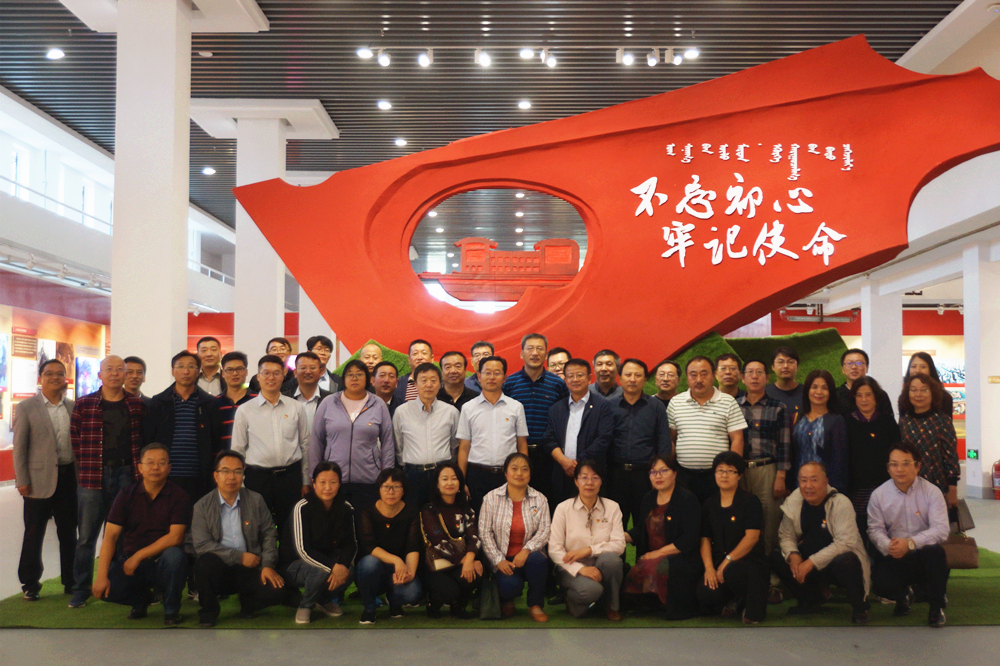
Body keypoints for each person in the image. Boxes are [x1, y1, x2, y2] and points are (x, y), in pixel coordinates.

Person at [69, 355, 147, 609]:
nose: (114, 374)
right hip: (93, 476)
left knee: (122, 535)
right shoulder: (84, 404)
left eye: (119, 370)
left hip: (127, 475)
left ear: (126, 374)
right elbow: (75, 440)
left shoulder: (137, 405)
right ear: (99, 375)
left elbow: (143, 439)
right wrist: (89, 466)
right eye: (109, 369)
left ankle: (117, 586)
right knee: (86, 537)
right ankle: (80, 589)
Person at [91, 443, 191, 624]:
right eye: (150, 462)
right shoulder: (126, 495)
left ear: (169, 468)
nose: (155, 467)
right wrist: (101, 576)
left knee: (175, 556)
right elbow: (110, 536)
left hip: (162, 562)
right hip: (130, 561)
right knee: (106, 589)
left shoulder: (179, 496)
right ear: (140, 468)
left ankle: (171, 610)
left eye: (161, 463)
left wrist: (139, 556)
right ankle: (141, 600)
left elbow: (175, 537)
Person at [191, 450, 285, 627]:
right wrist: (239, 557)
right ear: (216, 476)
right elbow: (202, 545)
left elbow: (269, 533)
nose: (231, 477)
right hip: (219, 567)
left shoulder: (256, 500)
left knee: (277, 590)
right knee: (204, 564)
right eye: (225, 471)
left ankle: (248, 603)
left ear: (243, 474)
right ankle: (209, 612)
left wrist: (267, 565)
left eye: (237, 471)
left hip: (250, 567)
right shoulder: (202, 506)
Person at [770, 462, 871, 624]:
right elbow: (786, 534)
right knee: (776, 557)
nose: (808, 486)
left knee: (847, 559)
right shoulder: (795, 500)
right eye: (803, 480)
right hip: (809, 562)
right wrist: (793, 555)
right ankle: (810, 599)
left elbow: (846, 542)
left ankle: (860, 607)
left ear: (825, 482)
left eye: (814, 480)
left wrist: (810, 562)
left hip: (835, 564)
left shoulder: (841, 502)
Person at [867, 442, 950, 628]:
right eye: (894, 464)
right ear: (888, 468)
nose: (900, 469)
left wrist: (911, 543)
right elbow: (874, 529)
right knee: (881, 582)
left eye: (906, 463)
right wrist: (888, 546)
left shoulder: (932, 492)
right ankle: (904, 595)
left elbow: (941, 529)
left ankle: (936, 609)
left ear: (917, 466)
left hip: (923, 553)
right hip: (894, 553)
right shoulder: (879, 495)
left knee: (936, 554)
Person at [14, 359, 77, 600]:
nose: (55, 377)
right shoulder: (27, 407)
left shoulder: (72, 406)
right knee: (34, 532)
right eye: (49, 373)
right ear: (41, 378)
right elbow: (20, 447)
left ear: (65, 378)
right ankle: (30, 583)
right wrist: (22, 479)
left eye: (60, 373)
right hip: (37, 479)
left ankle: (71, 581)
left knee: (69, 533)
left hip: (68, 478)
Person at [231, 355, 311, 534]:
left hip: (290, 477)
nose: (271, 378)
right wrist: (240, 484)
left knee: (290, 529)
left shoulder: (296, 407)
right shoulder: (245, 410)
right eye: (266, 373)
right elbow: (237, 450)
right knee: (257, 528)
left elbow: (306, 445)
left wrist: (305, 481)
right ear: (258, 376)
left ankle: (287, 554)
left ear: (283, 376)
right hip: (258, 479)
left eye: (276, 373)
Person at [622, 455, 702, 619]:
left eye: (663, 471)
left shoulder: (687, 499)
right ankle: (650, 604)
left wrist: (658, 554)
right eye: (653, 472)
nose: (658, 476)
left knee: (654, 565)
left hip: (680, 557)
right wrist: (620, 537)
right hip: (651, 556)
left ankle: (666, 604)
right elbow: (640, 529)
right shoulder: (648, 498)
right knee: (639, 568)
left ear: (675, 473)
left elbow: (689, 539)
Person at [311, 359, 395, 510]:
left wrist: (387, 477)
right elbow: (316, 441)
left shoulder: (378, 404)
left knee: (365, 521)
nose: (354, 378)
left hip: (369, 478)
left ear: (368, 379)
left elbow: (388, 442)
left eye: (359, 374)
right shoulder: (328, 403)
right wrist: (315, 475)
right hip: (333, 480)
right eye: (350, 375)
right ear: (343, 379)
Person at [697, 451, 768, 625]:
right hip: (720, 562)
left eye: (730, 471)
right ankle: (734, 601)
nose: (724, 475)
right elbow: (705, 539)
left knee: (733, 572)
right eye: (720, 470)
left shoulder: (750, 502)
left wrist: (726, 561)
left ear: (740, 475)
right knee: (705, 594)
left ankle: (748, 604)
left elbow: (752, 538)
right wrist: (709, 568)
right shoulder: (709, 504)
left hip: (748, 562)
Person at [548, 459, 626, 620]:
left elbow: (619, 545)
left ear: (601, 481)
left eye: (595, 477)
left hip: (601, 564)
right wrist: (580, 569)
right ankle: (570, 598)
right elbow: (554, 550)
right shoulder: (563, 508)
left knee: (612, 560)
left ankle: (611, 606)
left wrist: (589, 550)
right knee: (591, 590)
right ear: (576, 482)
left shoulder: (612, 507)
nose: (589, 482)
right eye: (584, 477)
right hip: (570, 567)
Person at [478, 452, 551, 622]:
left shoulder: (540, 499)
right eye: (514, 469)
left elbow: (545, 530)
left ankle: (535, 605)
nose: (519, 473)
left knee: (538, 561)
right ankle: (508, 600)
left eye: (524, 469)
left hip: (528, 557)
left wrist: (526, 550)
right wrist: (498, 560)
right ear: (505, 473)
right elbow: (484, 532)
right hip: (503, 559)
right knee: (509, 587)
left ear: (530, 474)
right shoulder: (491, 498)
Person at [281, 460, 357, 624]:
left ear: (339, 484)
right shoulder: (302, 507)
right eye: (322, 482)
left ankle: (323, 600)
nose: (327, 487)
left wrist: (343, 565)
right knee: (321, 570)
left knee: (349, 571)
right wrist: (333, 566)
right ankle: (306, 605)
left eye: (333, 482)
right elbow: (302, 550)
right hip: (294, 566)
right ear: (314, 484)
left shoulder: (346, 508)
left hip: (327, 562)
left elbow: (351, 544)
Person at [668, 356, 747, 504]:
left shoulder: (728, 402)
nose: (699, 380)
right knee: (686, 514)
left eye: (704, 374)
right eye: (693, 375)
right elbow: (671, 438)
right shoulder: (676, 402)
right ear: (686, 378)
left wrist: (732, 470)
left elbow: (737, 439)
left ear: (714, 375)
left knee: (715, 515)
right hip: (684, 475)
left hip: (717, 476)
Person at [145, 350, 221, 503]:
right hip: (166, 475)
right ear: (173, 371)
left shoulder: (210, 403)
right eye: (180, 367)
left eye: (191, 367)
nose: (186, 371)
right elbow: (149, 439)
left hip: (200, 476)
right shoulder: (158, 403)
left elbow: (216, 441)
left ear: (198, 371)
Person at [457, 356, 529, 512]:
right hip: (477, 475)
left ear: (504, 378)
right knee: (479, 518)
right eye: (487, 373)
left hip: (508, 474)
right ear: (479, 376)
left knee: (507, 517)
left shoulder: (516, 407)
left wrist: (523, 474)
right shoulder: (468, 408)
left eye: (497, 373)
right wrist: (462, 481)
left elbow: (522, 444)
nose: (491, 377)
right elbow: (464, 447)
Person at [736, 359, 790, 562]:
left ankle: (770, 569)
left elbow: (784, 443)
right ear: (743, 378)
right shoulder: (733, 406)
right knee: (741, 517)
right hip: (740, 470)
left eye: (759, 372)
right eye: (750, 372)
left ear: (767, 378)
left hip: (767, 469)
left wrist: (781, 476)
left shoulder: (778, 407)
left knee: (769, 519)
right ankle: (745, 567)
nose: (754, 376)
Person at [503, 333, 569, 499]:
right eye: (530, 348)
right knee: (518, 497)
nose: (535, 353)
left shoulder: (558, 384)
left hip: (548, 453)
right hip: (517, 451)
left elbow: (565, 417)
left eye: (540, 349)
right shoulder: (510, 383)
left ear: (546, 355)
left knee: (548, 498)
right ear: (521, 353)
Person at [608, 358, 672, 531]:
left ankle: (643, 550)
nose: (632, 379)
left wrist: (660, 475)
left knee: (646, 526)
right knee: (614, 526)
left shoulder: (656, 407)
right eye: (628, 375)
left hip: (645, 476)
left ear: (645, 379)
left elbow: (663, 442)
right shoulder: (609, 406)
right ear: (620, 377)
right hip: (616, 475)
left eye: (637, 375)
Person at [355, 468, 423, 624]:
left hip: (398, 570)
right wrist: (396, 560)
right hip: (374, 568)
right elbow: (368, 546)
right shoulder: (367, 511)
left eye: (396, 487)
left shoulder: (411, 511)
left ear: (403, 490)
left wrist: (410, 572)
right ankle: (369, 608)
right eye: (386, 487)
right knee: (369, 563)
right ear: (379, 488)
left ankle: (394, 602)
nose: (390, 492)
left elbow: (413, 545)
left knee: (412, 593)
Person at [544, 358, 616, 504]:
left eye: (579, 375)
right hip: (562, 475)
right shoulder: (556, 409)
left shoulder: (603, 407)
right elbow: (549, 439)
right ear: (565, 379)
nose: (575, 379)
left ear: (589, 378)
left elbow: (603, 439)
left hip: (591, 475)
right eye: (570, 376)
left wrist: (578, 464)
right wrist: (564, 462)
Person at [420, 463, 483, 619]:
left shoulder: (467, 509)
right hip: (437, 565)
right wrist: (466, 561)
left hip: (461, 561)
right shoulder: (429, 510)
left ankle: (458, 606)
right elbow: (438, 542)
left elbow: (474, 537)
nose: (450, 483)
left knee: (476, 572)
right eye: (445, 479)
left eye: (454, 478)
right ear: (437, 484)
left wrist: (471, 559)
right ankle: (433, 603)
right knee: (449, 590)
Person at [393, 363, 460, 507]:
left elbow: (455, 444)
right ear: (415, 384)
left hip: (442, 474)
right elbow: (398, 445)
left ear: (440, 384)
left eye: (433, 380)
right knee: (414, 514)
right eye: (423, 380)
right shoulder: (401, 412)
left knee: (442, 514)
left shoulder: (451, 412)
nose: (429, 385)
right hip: (413, 475)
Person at [844, 376, 899, 537]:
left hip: (884, 486)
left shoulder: (888, 422)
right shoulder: (846, 422)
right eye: (859, 395)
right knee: (859, 531)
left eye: (868, 395)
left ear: (876, 397)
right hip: (857, 489)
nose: (864, 399)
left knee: (884, 530)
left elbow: (896, 453)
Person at [898, 373, 960, 509]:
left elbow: (950, 456)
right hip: (908, 486)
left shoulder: (942, 420)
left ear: (933, 393)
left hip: (937, 486)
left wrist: (952, 488)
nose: (918, 394)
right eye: (913, 390)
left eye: (924, 390)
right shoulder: (904, 420)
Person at [791, 369, 848, 492]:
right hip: (798, 484)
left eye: (824, 388)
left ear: (830, 392)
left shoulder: (836, 420)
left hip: (824, 487)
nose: (819, 392)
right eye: (814, 387)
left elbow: (839, 460)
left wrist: (834, 489)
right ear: (807, 390)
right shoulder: (799, 418)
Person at [280, 351, 332, 433]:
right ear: (295, 372)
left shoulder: (331, 399)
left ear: (320, 372)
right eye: (303, 368)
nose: (308, 371)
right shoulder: (283, 399)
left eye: (312, 368)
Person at [214, 351, 256, 449]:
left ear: (246, 372)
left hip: (251, 457)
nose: (235, 373)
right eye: (230, 370)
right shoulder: (215, 403)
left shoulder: (257, 400)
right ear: (223, 373)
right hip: (223, 456)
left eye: (239, 369)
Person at [836, 348, 894, 417]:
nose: (854, 367)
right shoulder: (835, 395)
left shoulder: (879, 394)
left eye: (859, 363)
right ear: (842, 369)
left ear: (867, 368)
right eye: (849, 363)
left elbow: (889, 420)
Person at [900, 352, 954, 417]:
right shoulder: (904, 396)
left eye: (923, 367)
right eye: (913, 366)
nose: (917, 370)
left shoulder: (944, 397)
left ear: (930, 370)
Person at [765, 346, 804, 427]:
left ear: (797, 367)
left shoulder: (807, 393)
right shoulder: (764, 393)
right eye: (780, 362)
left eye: (790, 362)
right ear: (773, 367)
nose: (785, 366)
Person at [394, 339, 435, 403]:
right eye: (415, 353)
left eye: (424, 353)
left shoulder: (440, 384)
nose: (420, 357)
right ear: (409, 359)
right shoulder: (398, 384)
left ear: (432, 359)